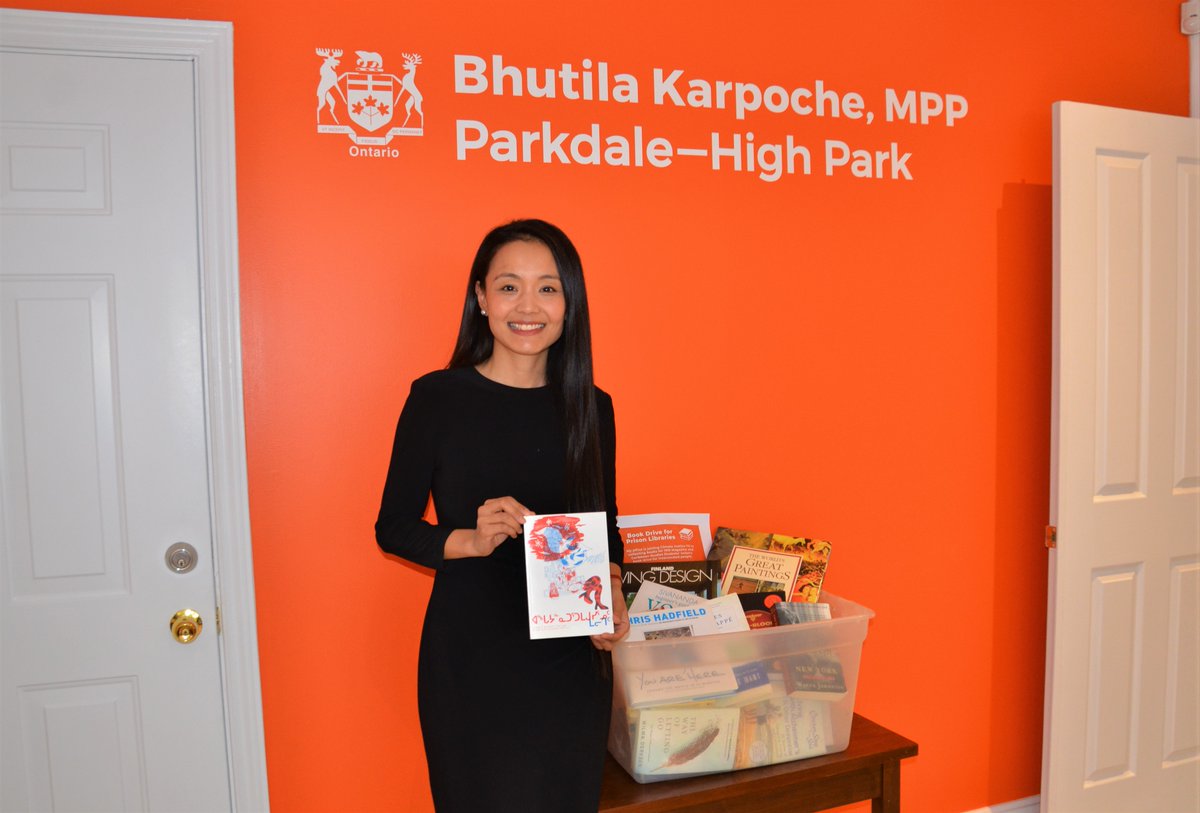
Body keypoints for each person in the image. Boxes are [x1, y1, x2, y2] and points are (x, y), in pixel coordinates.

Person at [375, 219, 629, 812]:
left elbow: (604, 522)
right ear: (481, 298)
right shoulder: (438, 399)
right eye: (509, 286)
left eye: (548, 288)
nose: (528, 306)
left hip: (571, 662)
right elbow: (393, 527)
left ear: (569, 303)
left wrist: (614, 590)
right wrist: (470, 539)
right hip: (472, 659)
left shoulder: (592, 407)